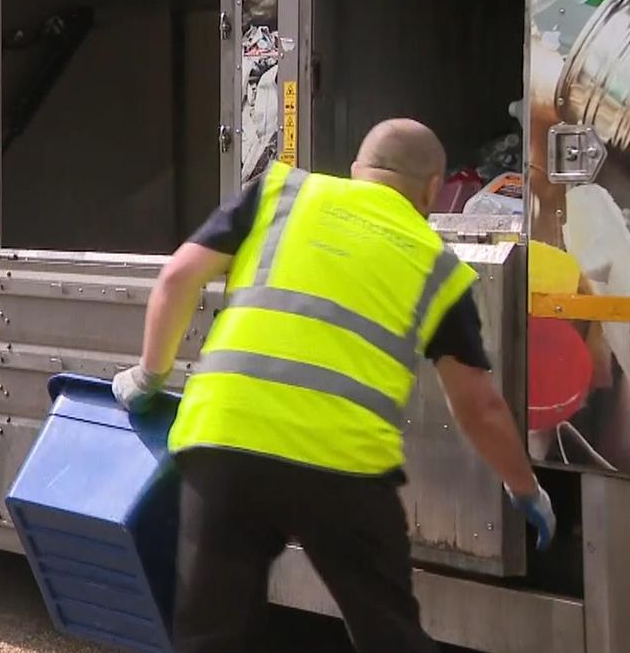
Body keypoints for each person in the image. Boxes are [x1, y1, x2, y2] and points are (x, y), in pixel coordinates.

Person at [114, 118, 555, 653]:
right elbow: (479, 405)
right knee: (390, 634)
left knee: (212, 637)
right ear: (434, 187)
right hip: (343, 468)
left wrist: (149, 376)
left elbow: (177, 278)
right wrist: (524, 487)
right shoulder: (437, 263)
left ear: (355, 171)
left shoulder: (280, 192)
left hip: (225, 444)